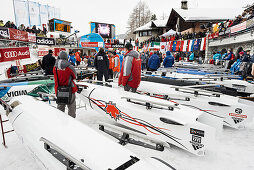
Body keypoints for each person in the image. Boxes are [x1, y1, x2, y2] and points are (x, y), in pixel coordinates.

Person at [53, 51, 77, 118]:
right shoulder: (69, 67)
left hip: (59, 89)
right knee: (71, 105)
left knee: (60, 106)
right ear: (67, 57)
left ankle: (60, 121)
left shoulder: (55, 67)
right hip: (70, 89)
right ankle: (72, 121)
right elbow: (75, 76)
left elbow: (56, 78)